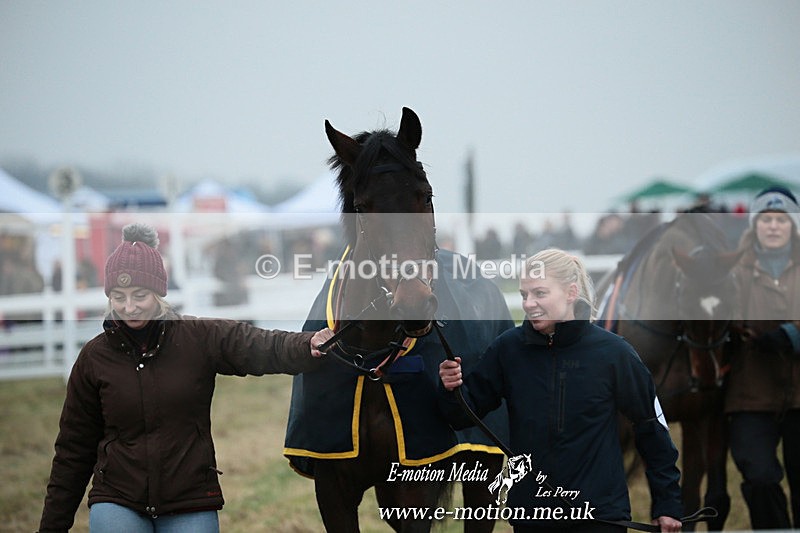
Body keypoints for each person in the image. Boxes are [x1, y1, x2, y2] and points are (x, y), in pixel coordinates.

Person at [38, 223, 332, 533]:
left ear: (159, 292)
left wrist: (306, 344)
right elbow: (73, 449)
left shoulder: (197, 338)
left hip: (189, 497)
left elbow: (255, 344)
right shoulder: (94, 358)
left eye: (140, 295)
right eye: (118, 297)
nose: (129, 307)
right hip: (118, 497)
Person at [438, 248, 683, 532]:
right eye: (524, 295)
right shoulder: (508, 350)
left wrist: (667, 504)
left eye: (540, 293)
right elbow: (462, 415)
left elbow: (651, 428)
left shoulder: (615, 353)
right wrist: (450, 386)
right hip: (533, 517)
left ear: (571, 292)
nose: (529, 304)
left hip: (600, 516)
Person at [726, 186, 800, 530]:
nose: (773, 226)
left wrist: (789, 334)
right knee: (759, 477)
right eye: (766, 219)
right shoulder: (733, 273)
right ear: (754, 226)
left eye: (781, 220)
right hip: (750, 395)